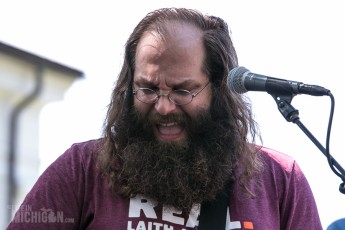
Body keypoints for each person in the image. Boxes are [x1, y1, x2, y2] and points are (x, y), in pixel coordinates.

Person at [7, 7, 322, 230]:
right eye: (148, 89)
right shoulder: (81, 169)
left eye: (183, 91)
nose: (163, 107)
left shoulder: (281, 180)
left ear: (219, 90)